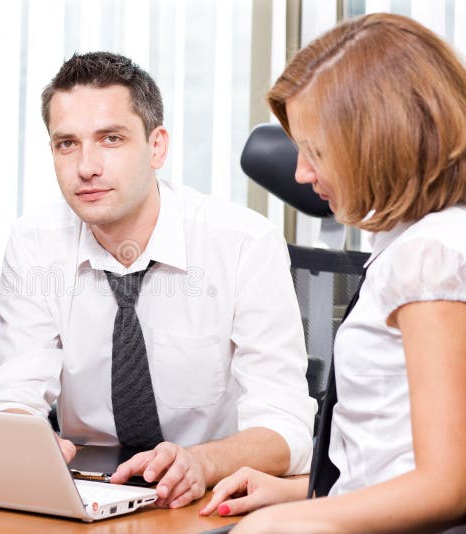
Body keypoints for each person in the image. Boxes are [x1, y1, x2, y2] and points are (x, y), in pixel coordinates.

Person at [0, 51, 316, 509]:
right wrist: (23, 438)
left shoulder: (243, 242)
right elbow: (16, 391)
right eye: (67, 144)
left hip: (210, 498)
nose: (86, 166)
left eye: (111, 139)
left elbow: (287, 428)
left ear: (157, 146)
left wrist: (199, 462)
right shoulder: (34, 242)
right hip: (89, 494)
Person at [200, 13, 466, 532]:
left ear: (382, 140)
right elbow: (392, 451)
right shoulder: (410, 243)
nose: (301, 172)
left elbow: (448, 485)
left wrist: (285, 523)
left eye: (316, 151)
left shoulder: (431, 254)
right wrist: (303, 491)